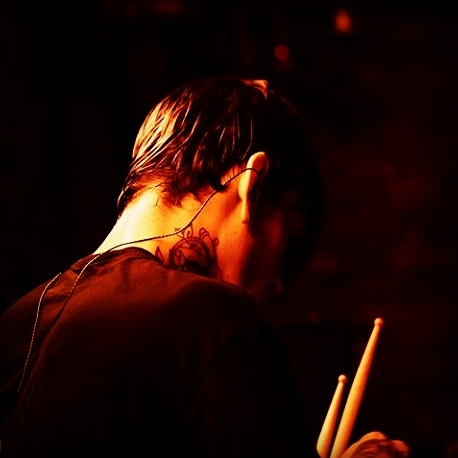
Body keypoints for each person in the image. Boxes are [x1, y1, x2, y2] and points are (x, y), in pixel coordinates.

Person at [0, 76, 408, 457]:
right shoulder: (217, 322)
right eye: (285, 244)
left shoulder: (17, 322)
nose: (274, 284)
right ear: (253, 185)